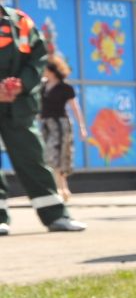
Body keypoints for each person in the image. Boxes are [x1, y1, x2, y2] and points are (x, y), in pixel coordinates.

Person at [0, 0, 85, 234]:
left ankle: (56, 215)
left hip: (18, 105)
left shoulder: (20, 22)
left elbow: (38, 58)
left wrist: (21, 84)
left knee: (33, 159)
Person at [37, 53, 83, 205]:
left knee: (59, 154)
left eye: (46, 69)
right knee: (47, 155)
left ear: (52, 70)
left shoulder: (65, 87)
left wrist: (82, 126)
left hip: (60, 124)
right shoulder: (43, 87)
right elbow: (39, 106)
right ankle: (61, 187)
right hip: (45, 124)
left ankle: (60, 187)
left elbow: (74, 107)